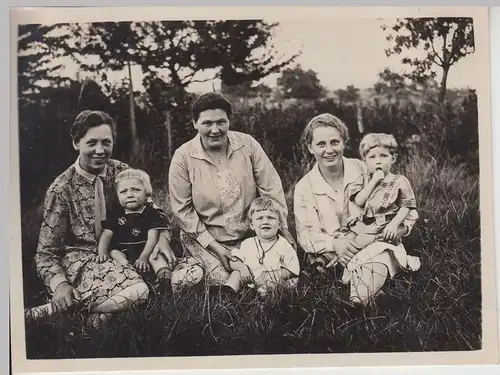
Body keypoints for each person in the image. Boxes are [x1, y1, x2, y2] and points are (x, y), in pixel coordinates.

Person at [32, 110, 176, 327]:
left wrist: (163, 237)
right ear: (76, 143)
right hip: (84, 258)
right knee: (140, 292)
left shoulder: (122, 172)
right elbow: (46, 252)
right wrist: (60, 284)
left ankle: (98, 316)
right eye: (91, 143)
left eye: (106, 143)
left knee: (181, 278)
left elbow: (154, 213)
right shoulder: (61, 189)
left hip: (126, 249)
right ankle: (53, 309)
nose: (100, 151)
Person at [167, 92, 295, 291]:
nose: (215, 130)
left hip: (250, 236)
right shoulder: (183, 157)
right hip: (206, 239)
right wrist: (215, 247)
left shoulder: (248, 145)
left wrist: (283, 228)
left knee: (277, 271)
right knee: (225, 278)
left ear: (229, 121)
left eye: (221, 122)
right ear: (194, 123)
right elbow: (182, 210)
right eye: (207, 123)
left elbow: (271, 187)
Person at [293, 113, 419, 305]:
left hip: (374, 242)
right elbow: (306, 235)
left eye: (335, 142)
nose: (329, 150)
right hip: (334, 254)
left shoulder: (365, 168)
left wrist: (396, 230)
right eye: (321, 144)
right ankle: (367, 295)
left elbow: (408, 209)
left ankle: (360, 301)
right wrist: (336, 244)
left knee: (379, 254)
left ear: (344, 143)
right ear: (310, 147)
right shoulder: (304, 187)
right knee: (336, 262)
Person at [96, 168, 176, 290]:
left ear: (146, 194)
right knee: (114, 253)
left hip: (146, 251)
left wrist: (143, 257)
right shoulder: (115, 214)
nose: (130, 195)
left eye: (136, 190)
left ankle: (164, 281)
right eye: (123, 192)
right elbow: (106, 235)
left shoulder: (151, 213)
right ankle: (132, 277)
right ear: (117, 197)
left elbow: (152, 237)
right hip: (125, 253)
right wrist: (102, 253)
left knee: (156, 256)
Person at [223, 197, 300, 297]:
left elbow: (292, 270)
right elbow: (233, 260)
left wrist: (271, 275)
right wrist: (242, 268)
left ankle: (261, 299)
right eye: (260, 218)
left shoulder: (284, 245)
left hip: (275, 281)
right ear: (252, 225)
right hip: (250, 278)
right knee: (236, 274)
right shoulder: (247, 244)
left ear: (279, 224)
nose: (265, 222)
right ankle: (228, 293)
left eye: (271, 218)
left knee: (272, 283)